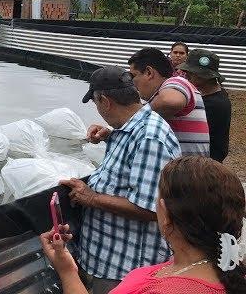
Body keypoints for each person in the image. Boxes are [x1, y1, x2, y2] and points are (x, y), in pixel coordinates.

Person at [42, 156, 246, 294]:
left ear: (165, 215)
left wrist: (66, 272)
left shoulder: (167, 288)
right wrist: (67, 269)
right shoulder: (227, 269)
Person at [60, 66, 181, 293]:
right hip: (105, 261)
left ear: (105, 101)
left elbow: (151, 209)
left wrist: (92, 197)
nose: (98, 110)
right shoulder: (132, 129)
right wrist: (110, 136)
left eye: (96, 104)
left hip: (124, 271)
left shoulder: (149, 137)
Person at [89, 47, 210, 156]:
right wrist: (111, 134)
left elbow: (170, 101)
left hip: (187, 175)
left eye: (133, 76)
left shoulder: (176, 82)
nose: (132, 83)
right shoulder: (160, 96)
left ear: (149, 72)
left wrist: (129, 117)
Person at [178, 49, 232, 162]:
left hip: (205, 166)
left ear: (206, 76)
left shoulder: (215, 104)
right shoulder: (212, 94)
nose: (187, 74)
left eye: (191, 72)